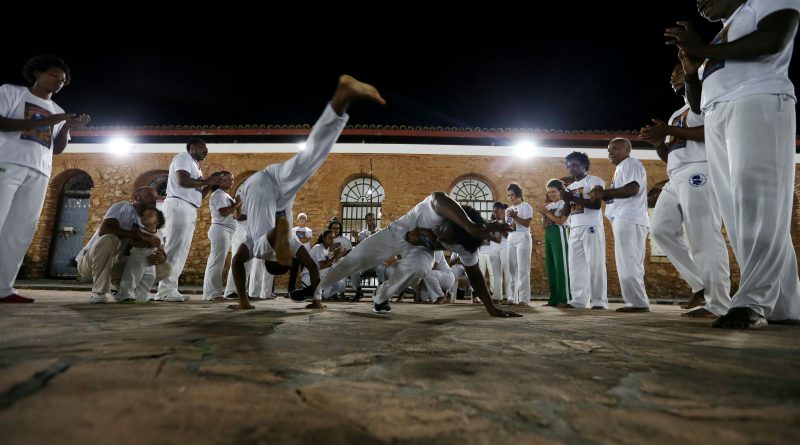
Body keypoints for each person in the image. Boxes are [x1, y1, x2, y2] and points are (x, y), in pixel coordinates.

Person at [666, 0, 800, 328]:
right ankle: (784, 305)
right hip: (715, 113)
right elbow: (695, 102)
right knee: (737, 212)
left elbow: (773, 40)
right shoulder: (720, 36)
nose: (699, 2)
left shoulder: (764, 2)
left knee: (759, 201)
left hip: (756, 99)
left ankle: (753, 300)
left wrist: (704, 50)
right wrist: (692, 69)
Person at [229, 75, 386, 310]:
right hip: (273, 182)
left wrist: (243, 301)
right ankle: (341, 100)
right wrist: (316, 300)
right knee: (310, 159)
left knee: (261, 243)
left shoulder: (283, 248)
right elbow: (238, 262)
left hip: (258, 187)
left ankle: (273, 235)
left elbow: (236, 263)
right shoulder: (291, 245)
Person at [305, 191, 521, 318]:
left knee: (420, 268)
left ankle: (380, 298)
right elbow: (440, 198)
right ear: (452, 220)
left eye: (446, 243)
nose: (440, 239)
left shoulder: (465, 244)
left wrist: (490, 308)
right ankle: (317, 290)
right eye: (442, 233)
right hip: (397, 234)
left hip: (420, 249)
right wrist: (471, 225)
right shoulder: (437, 206)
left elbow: (474, 274)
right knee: (355, 259)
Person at [639, 62, 731, 319]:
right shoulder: (676, 114)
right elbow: (670, 155)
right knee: (660, 230)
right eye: (672, 73)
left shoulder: (707, 102)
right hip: (675, 176)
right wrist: (659, 142)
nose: (673, 76)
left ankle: (720, 303)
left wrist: (668, 130)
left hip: (701, 171)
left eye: (678, 71)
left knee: (703, 234)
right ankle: (701, 285)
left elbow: (710, 133)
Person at [0, 55, 90, 303]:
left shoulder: (58, 110)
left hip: (39, 170)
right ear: (38, 73)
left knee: (21, 230)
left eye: (62, 80)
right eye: (54, 75)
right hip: (7, 163)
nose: (59, 81)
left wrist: (68, 126)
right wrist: (48, 121)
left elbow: (58, 148)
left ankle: (4, 289)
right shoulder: (12, 92)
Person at [156, 138, 223, 302]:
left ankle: (171, 289)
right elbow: (183, 181)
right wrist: (207, 181)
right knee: (173, 248)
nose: (206, 151)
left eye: (207, 148)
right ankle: (164, 290)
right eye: (203, 148)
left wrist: (210, 184)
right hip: (178, 205)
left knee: (181, 250)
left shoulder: (196, 167)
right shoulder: (183, 158)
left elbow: (199, 195)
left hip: (189, 208)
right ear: (192, 148)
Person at [76, 187, 167, 303]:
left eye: (156, 197)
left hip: (118, 266)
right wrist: (137, 235)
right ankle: (99, 292)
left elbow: (161, 249)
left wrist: (161, 257)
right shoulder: (124, 207)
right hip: (90, 263)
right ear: (136, 197)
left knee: (165, 267)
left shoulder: (152, 224)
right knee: (109, 239)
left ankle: (128, 291)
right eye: (150, 196)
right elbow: (104, 230)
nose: (154, 199)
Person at [591, 138, 651, 312]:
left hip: (629, 219)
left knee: (628, 261)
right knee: (630, 261)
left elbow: (633, 189)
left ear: (627, 150)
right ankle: (637, 301)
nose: (610, 152)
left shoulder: (630, 164)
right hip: (627, 218)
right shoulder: (621, 168)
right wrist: (604, 195)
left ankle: (637, 303)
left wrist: (605, 192)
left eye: (615, 149)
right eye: (609, 149)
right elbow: (620, 194)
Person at [561, 152, 607, 310]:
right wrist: (565, 200)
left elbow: (596, 205)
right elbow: (567, 211)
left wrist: (572, 198)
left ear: (584, 165)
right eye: (568, 166)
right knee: (576, 265)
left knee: (595, 263)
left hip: (591, 226)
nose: (570, 168)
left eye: (574, 165)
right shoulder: (570, 187)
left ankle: (599, 301)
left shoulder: (594, 181)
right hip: (574, 228)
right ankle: (579, 300)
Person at [116, 208, 172, 302]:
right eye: (144, 215)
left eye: (149, 215)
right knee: (131, 276)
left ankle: (142, 295)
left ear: (157, 221)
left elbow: (161, 248)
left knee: (149, 277)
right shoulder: (138, 230)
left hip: (150, 261)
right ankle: (125, 294)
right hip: (137, 258)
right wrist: (148, 243)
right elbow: (133, 242)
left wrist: (160, 255)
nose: (144, 216)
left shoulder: (159, 233)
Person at [202, 171, 241, 301]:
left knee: (218, 261)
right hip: (221, 230)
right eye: (227, 179)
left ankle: (212, 294)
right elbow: (224, 212)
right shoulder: (218, 194)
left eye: (232, 179)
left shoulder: (225, 195)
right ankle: (212, 294)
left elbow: (233, 215)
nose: (231, 182)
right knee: (216, 262)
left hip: (227, 230)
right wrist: (237, 203)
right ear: (219, 181)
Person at [533, 179, 570, 307]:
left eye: (553, 191)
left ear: (560, 191)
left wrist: (545, 212)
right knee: (551, 266)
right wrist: (543, 215)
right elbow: (544, 226)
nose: (551, 194)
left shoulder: (564, 203)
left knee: (561, 265)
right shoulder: (548, 206)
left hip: (559, 232)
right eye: (548, 192)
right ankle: (554, 298)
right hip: (549, 233)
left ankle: (565, 298)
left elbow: (561, 221)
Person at [505, 183, 534, 306]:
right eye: (508, 195)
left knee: (523, 269)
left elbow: (526, 224)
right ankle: (512, 297)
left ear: (518, 195)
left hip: (523, 237)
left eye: (512, 195)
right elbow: (509, 225)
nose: (510, 197)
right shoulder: (507, 209)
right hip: (511, 237)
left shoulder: (525, 207)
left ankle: (523, 299)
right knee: (512, 269)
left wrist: (515, 216)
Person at [288, 213, 313, 293]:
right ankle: (290, 291)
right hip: (295, 254)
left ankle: (305, 290)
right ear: (297, 220)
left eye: (303, 218)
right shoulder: (293, 230)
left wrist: (298, 239)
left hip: (305, 254)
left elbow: (306, 240)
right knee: (293, 273)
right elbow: (300, 240)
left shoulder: (309, 230)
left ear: (306, 220)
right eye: (300, 218)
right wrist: (303, 238)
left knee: (305, 273)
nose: (302, 220)